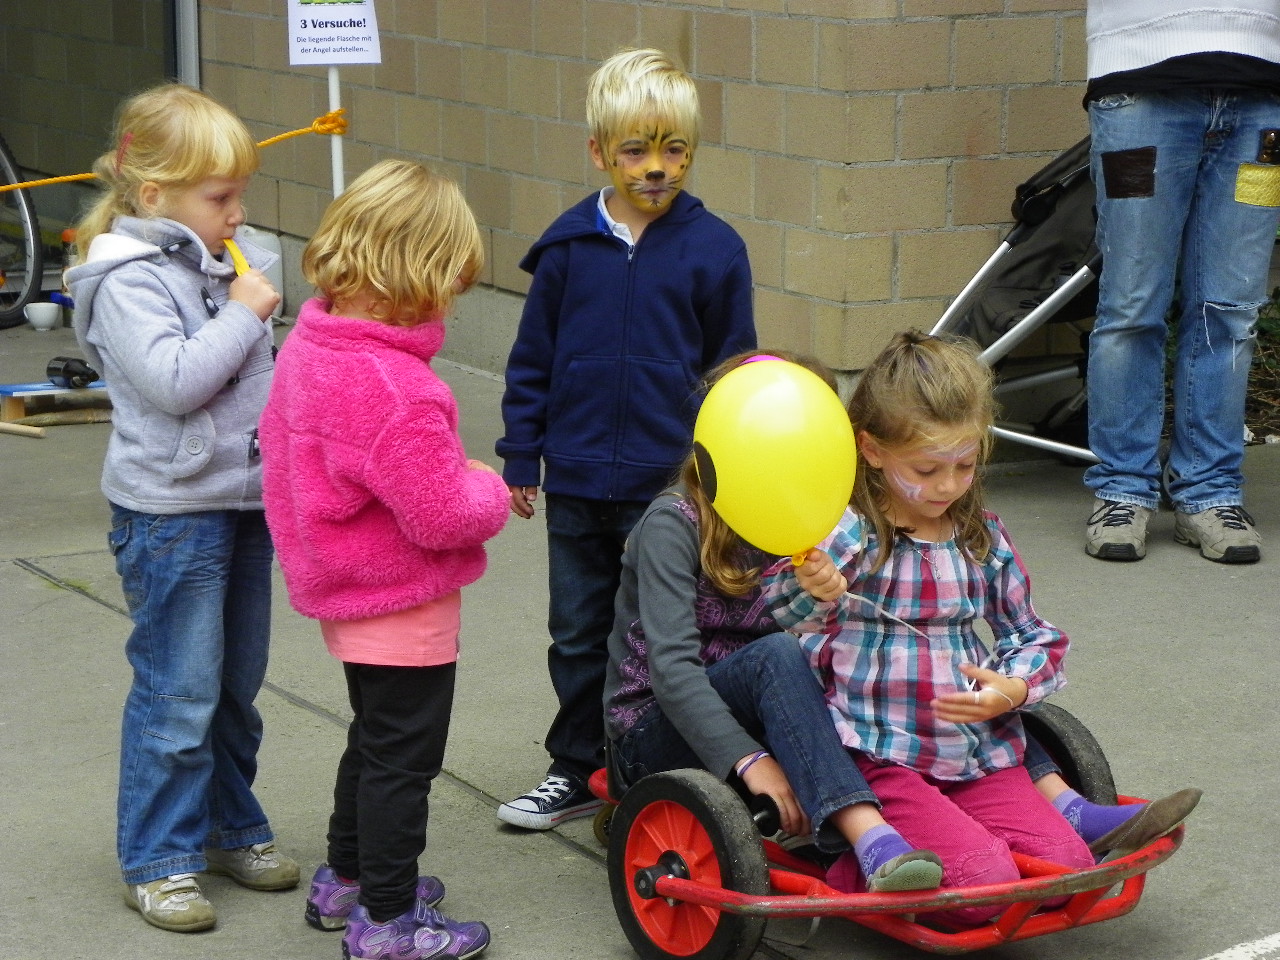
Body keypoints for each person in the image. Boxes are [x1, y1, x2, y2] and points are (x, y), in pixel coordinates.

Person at [763, 333, 1201, 923]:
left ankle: (981, 833)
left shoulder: (980, 538)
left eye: (965, 465)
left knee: (1066, 873)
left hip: (974, 754)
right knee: (983, 886)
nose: (947, 486)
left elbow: (1031, 634)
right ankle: (849, 867)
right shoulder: (849, 532)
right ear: (871, 450)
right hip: (880, 754)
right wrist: (811, 585)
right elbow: (783, 613)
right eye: (926, 469)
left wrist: (1013, 688)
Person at [495, 47, 756, 830]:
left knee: (660, 635)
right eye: (636, 150)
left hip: (667, 491)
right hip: (576, 480)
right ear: (599, 151)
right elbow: (532, 361)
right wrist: (521, 455)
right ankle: (578, 768)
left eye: (675, 150)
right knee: (578, 634)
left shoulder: (717, 250)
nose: (656, 168)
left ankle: (651, 767)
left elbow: (734, 372)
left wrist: (725, 478)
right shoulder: (567, 249)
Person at [259, 160, 509, 960]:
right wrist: (487, 484)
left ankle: (348, 877)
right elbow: (444, 513)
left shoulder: (310, 346)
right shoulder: (398, 388)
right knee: (405, 762)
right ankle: (389, 918)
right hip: (404, 602)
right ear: (418, 274)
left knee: (372, 740)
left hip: (344, 591)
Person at [65, 83, 297, 933]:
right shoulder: (123, 280)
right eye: (221, 197)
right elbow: (174, 382)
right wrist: (242, 316)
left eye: (241, 195)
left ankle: (229, 826)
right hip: (171, 515)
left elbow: (259, 379)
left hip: (243, 501)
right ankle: (159, 858)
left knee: (235, 687)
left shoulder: (220, 262)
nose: (238, 215)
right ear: (154, 195)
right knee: (179, 692)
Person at [604, 351, 945, 895]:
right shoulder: (673, 525)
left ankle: (966, 798)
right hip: (654, 728)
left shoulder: (809, 515)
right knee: (776, 655)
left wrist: (826, 594)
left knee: (886, 661)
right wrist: (749, 760)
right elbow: (672, 672)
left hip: (766, 706)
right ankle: (869, 838)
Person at [1082, 1, 1280, 563]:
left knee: (1232, 312)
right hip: (1139, 85)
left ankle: (1211, 493)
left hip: (1264, 92)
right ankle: (1122, 489)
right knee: (1131, 307)